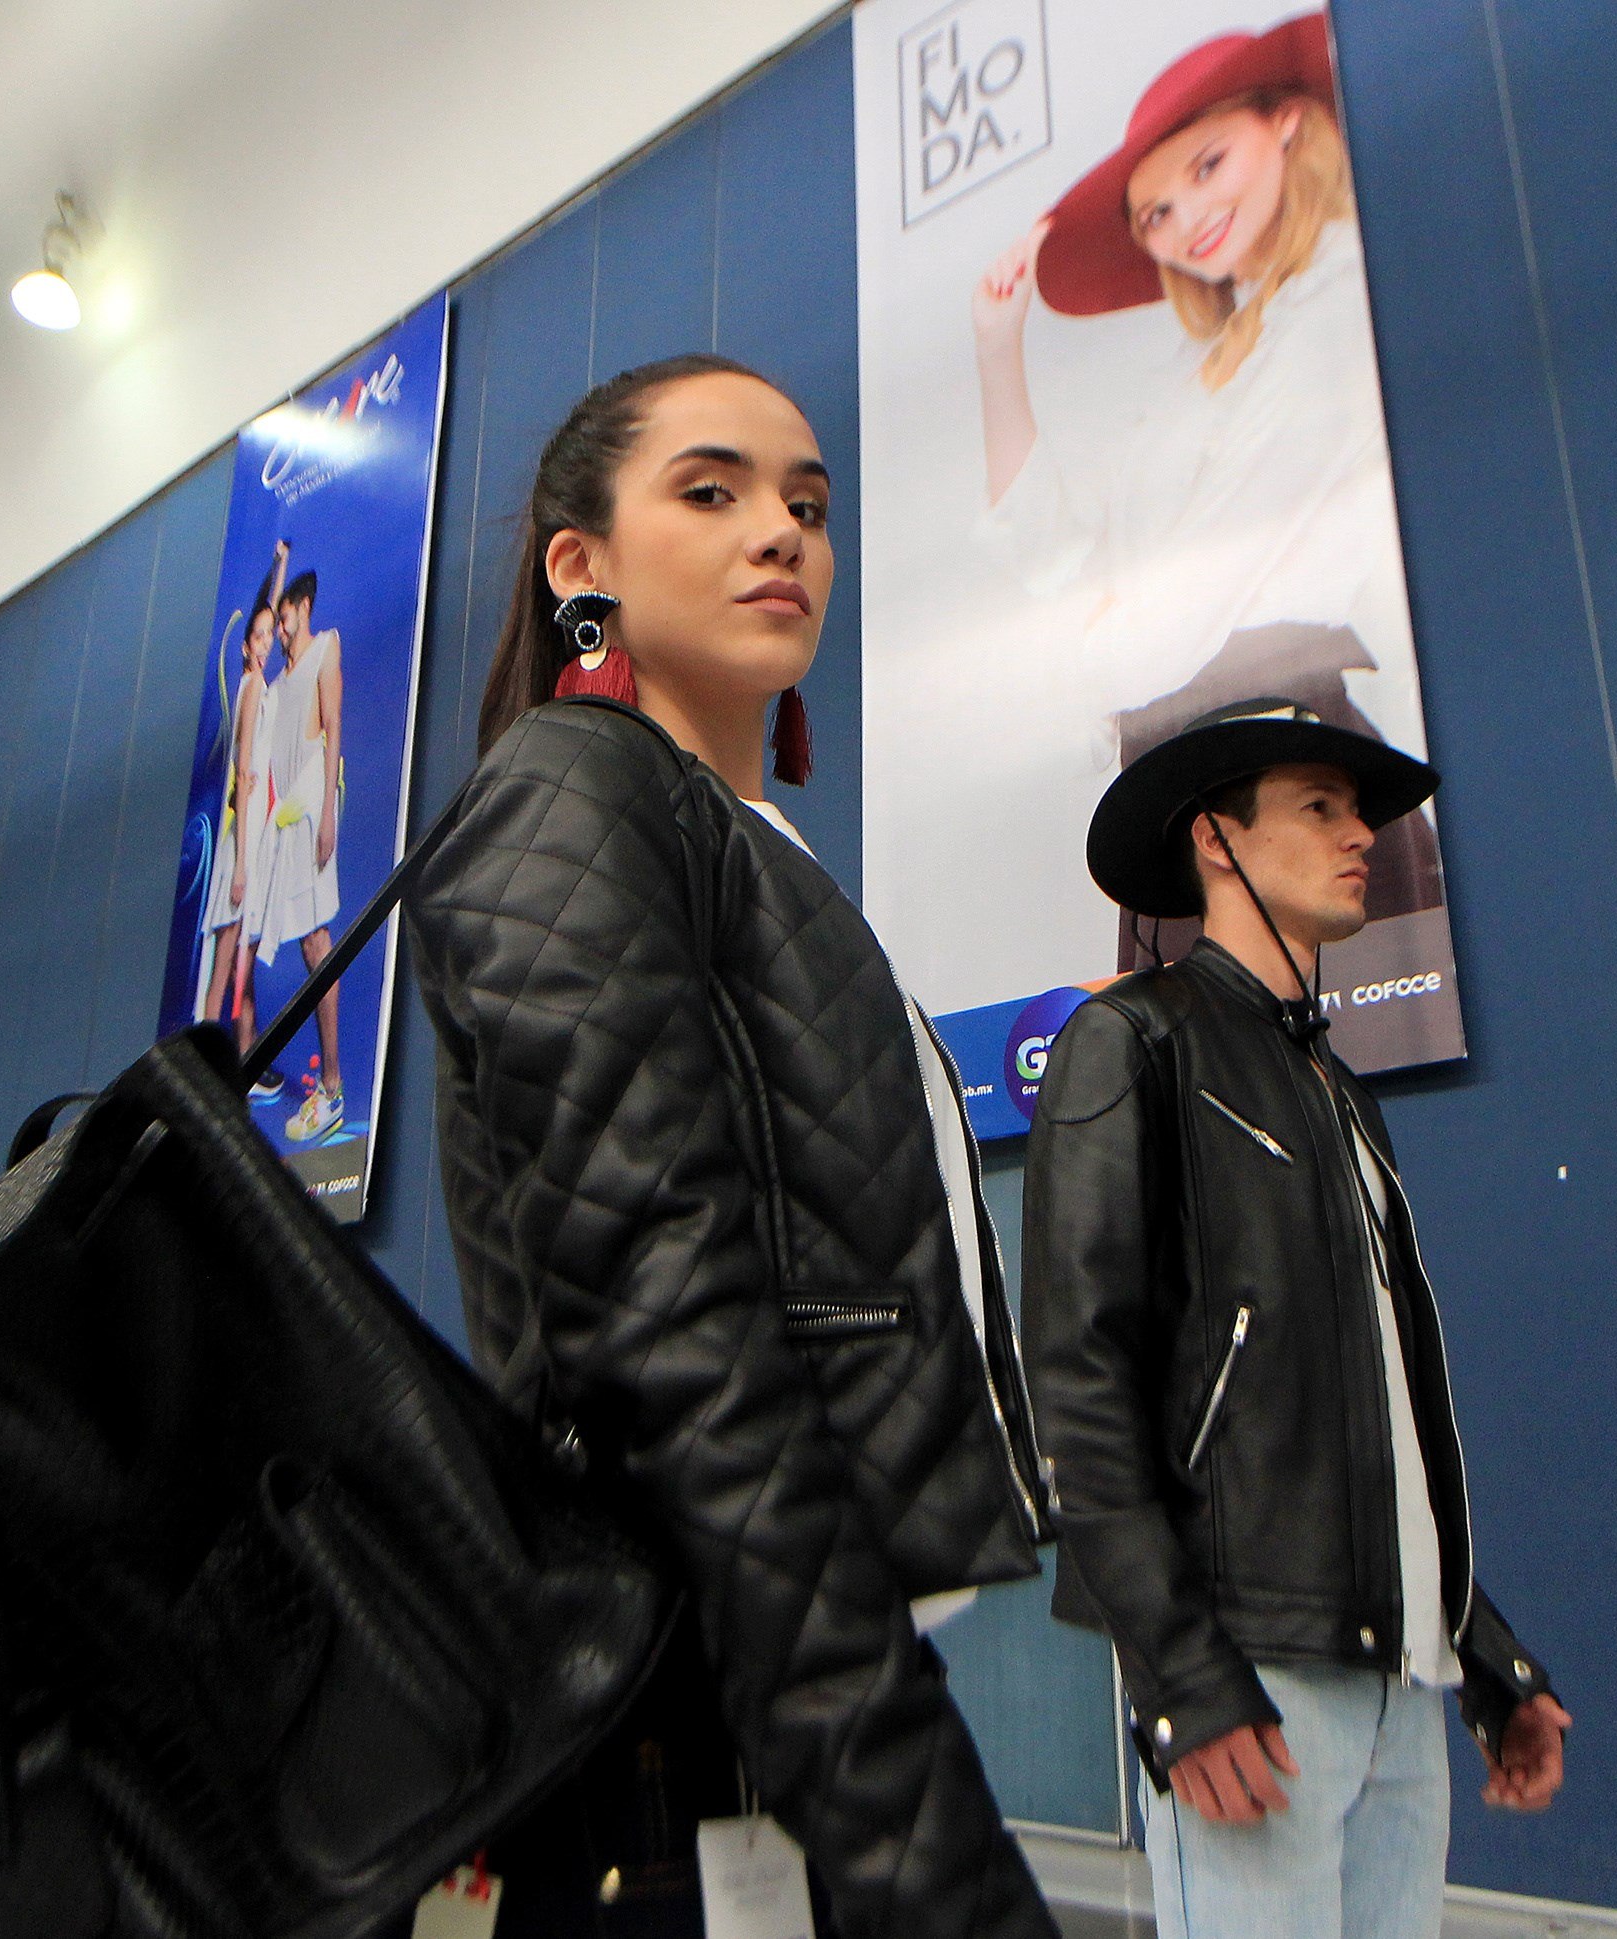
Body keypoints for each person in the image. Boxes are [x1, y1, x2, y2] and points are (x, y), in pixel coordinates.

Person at [406, 353, 1057, 1939]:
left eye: (807, 503)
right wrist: (925, 1841)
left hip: (768, 1716)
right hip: (699, 1744)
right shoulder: (570, 796)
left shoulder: (747, 847)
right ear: (585, 568)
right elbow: (674, 1340)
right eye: (712, 491)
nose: (780, 530)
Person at [1022, 699, 1570, 1938]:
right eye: (1318, 804)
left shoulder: (1338, 1092)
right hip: (1247, 1682)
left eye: (1358, 808)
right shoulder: (1130, 1041)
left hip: (1397, 1682)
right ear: (1217, 840)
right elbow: (1078, 1379)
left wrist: (1482, 1651)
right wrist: (1178, 1676)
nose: (1358, 830)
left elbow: (1376, 1419)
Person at [968, 13, 1442, 964]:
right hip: (1188, 782)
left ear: (1289, 127)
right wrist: (997, 347)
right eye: (1155, 215)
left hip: (1286, 760)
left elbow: (1171, 612)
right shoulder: (1212, 372)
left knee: (1325, 1071)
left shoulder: (1335, 311)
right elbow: (1058, 551)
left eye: (1207, 166)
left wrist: (1094, 644)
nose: (1187, 221)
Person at [255, 562, 345, 1137]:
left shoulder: (325, 649)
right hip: (282, 818)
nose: (281, 631)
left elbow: (334, 725)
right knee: (300, 946)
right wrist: (278, 573)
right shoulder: (280, 677)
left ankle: (331, 1089)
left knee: (317, 943)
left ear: (304, 608)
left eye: (285, 619)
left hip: (312, 807)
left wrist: (328, 814)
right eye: (276, 624)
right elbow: (266, 608)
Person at [199, 546, 284, 1044]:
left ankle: (239, 1062)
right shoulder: (253, 689)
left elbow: (265, 608)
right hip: (243, 842)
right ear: (247, 645)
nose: (268, 642)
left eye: (271, 634)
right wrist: (244, 865)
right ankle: (205, 1069)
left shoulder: (259, 683)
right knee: (225, 962)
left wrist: (278, 568)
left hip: (255, 833)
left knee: (239, 967)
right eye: (260, 636)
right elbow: (245, 766)